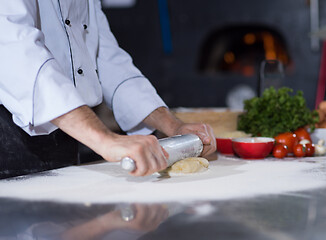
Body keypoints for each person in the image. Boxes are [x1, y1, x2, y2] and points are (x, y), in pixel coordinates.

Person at [0, 0, 216, 178]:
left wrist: (172, 126)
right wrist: (105, 139)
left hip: (69, 136)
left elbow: (105, 57)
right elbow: (15, 53)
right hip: (8, 144)